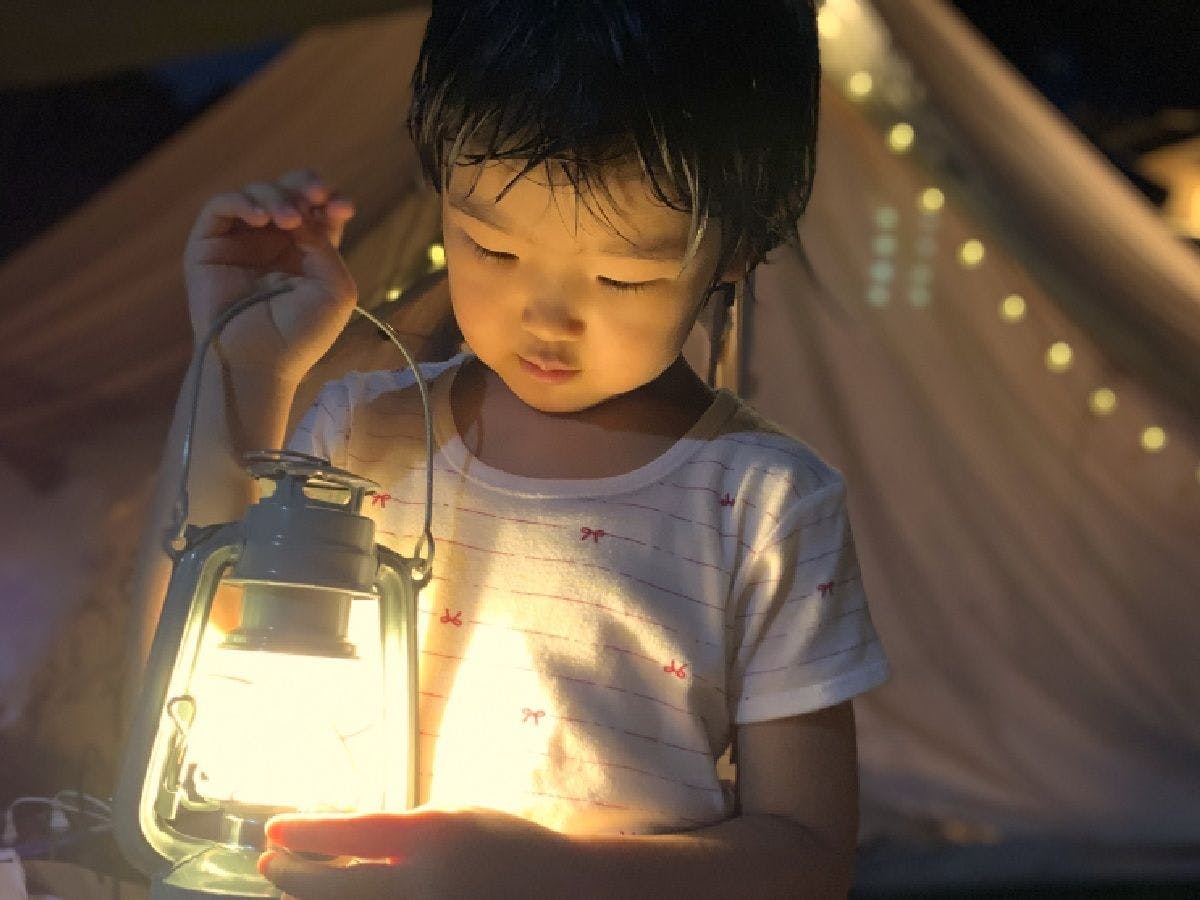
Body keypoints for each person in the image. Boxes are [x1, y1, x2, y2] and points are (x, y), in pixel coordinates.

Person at [131, 1, 889, 896]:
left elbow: (807, 857)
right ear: (439, 185)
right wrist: (244, 367)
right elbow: (180, 665)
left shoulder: (761, 505)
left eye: (622, 275)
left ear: (736, 248)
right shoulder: (359, 439)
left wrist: (554, 879)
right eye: (492, 247)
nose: (546, 315)